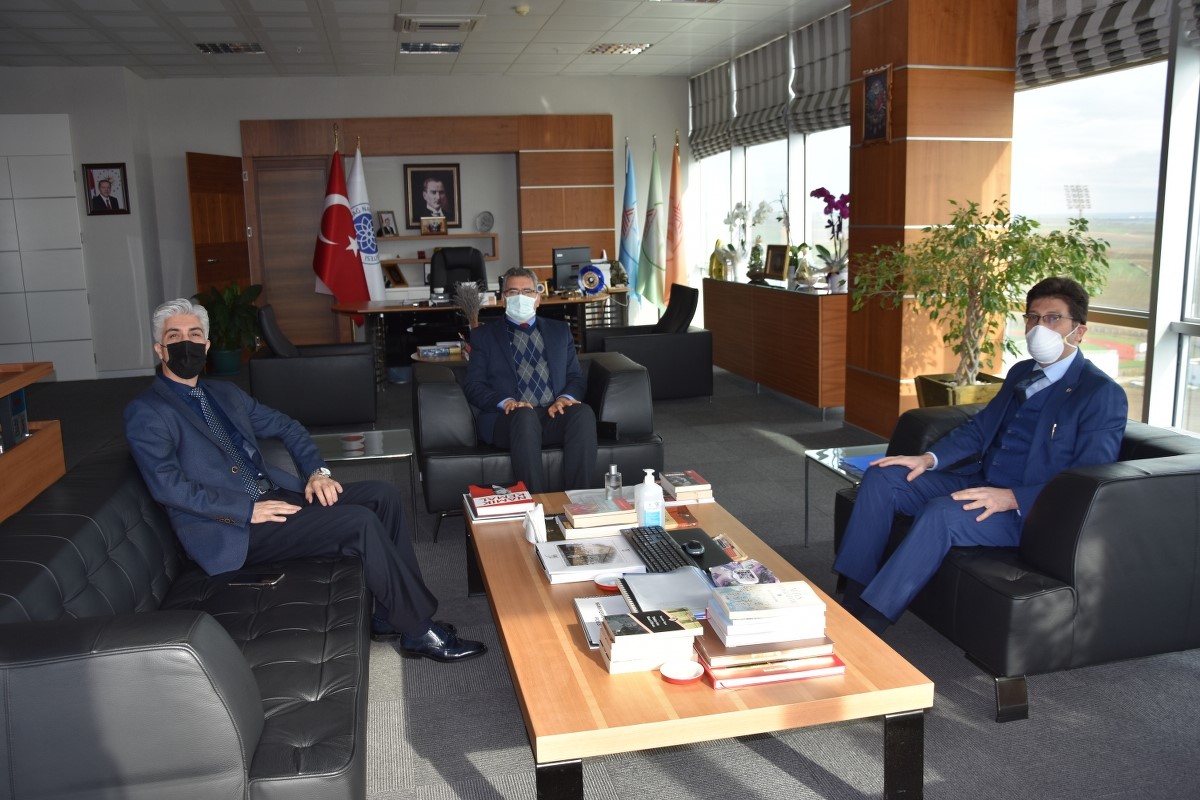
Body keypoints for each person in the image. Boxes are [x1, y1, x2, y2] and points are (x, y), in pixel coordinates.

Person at [124, 298, 486, 663]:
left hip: (277, 498)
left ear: (206, 346)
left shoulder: (223, 393)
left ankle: (390, 615)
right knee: (358, 522)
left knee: (383, 494)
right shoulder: (147, 411)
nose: (185, 343)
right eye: (174, 336)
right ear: (160, 349)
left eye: (194, 335)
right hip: (232, 528)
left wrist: (316, 472)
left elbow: (287, 426)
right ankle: (417, 629)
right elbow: (168, 486)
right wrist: (246, 510)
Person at [833, 277, 1128, 634]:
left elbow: (1091, 478)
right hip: (980, 481)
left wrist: (1013, 498)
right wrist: (927, 459)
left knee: (942, 513)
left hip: (1032, 511)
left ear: (1078, 331)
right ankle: (851, 596)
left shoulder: (1100, 393)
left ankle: (867, 624)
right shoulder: (1021, 372)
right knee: (883, 476)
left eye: (1053, 319)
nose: (1039, 327)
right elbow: (979, 428)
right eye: (1033, 317)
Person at [463, 267, 597, 493]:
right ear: (504, 299)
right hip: (509, 419)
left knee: (582, 413)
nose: (520, 297)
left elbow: (575, 377)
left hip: (552, 414)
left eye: (527, 292)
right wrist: (506, 402)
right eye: (513, 292)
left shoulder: (559, 331)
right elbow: (473, 385)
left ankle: (578, 499)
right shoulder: (484, 336)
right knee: (524, 415)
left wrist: (564, 398)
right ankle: (535, 504)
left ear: (538, 298)